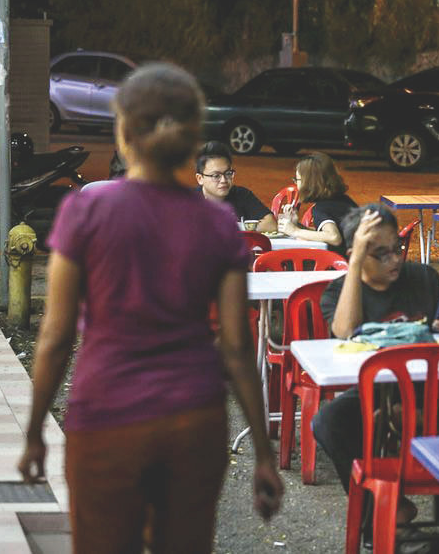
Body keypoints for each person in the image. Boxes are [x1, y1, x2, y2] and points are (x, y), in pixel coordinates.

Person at [18, 63, 283, 552]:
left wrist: (35, 432)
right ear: (191, 144)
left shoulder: (85, 212)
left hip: (106, 420)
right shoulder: (218, 226)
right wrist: (264, 454)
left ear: (123, 131)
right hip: (194, 421)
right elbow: (237, 346)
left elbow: (55, 338)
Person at [311, 203, 439, 533]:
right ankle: (378, 511)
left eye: (397, 249)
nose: (394, 260)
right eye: (381, 254)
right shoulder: (338, 292)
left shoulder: (423, 278)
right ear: (355, 254)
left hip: (434, 388)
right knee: (329, 422)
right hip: (374, 391)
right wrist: (356, 261)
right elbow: (345, 331)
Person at [277, 152, 357, 254]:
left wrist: (295, 231)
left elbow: (334, 237)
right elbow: (323, 234)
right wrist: (298, 226)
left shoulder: (321, 208)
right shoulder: (345, 200)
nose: (296, 184)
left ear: (308, 183)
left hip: (344, 265)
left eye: (297, 180)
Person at [195, 140, 277, 232]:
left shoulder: (241, 195)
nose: (224, 180)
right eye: (216, 176)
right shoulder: (188, 201)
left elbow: (271, 224)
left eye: (228, 173)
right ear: (200, 178)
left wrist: (237, 228)